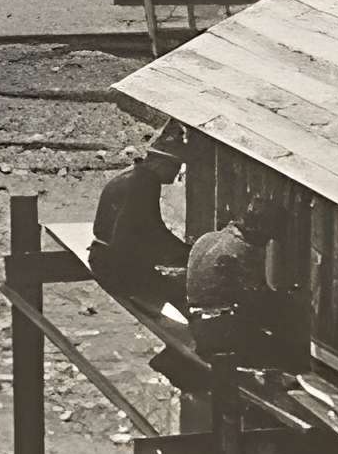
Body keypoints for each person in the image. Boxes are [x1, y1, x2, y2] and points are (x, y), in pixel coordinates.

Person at [184, 198, 283, 367]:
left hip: (195, 320)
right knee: (281, 354)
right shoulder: (243, 250)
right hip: (218, 329)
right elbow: (257, 299)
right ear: (260, 229)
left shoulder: (209, 237)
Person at [91, 144, 187, 303]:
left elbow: (142, 226)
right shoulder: (145, 181)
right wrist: (186, 252)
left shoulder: (134, 174)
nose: (176, 174)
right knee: (178, 293)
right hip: (113, 264)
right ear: (159, 163)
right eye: (175, 167)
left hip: (102, 255)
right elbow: (150, 229)